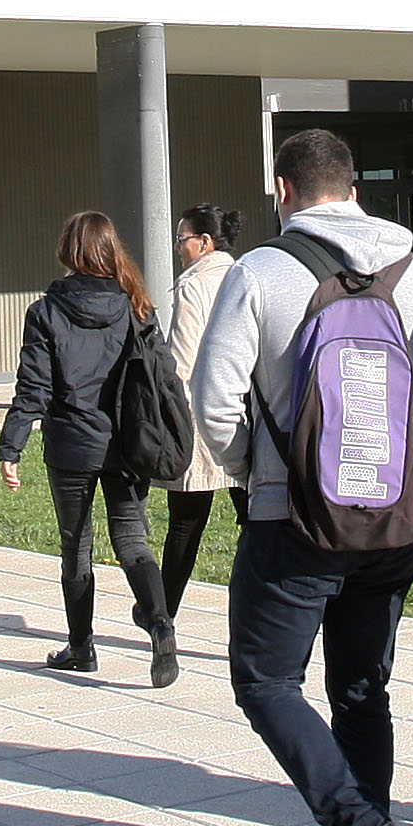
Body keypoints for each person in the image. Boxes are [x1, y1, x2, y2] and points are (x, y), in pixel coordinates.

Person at [189, 126, 413, 826]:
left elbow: (213, 405)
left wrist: (263, 474)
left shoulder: (259, 272)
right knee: (362, 690)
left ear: (282, 192)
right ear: (353, 189)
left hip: (294, 524)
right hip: (393, 525)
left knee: (266, 683)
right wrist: (398, 456)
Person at [0, 213, 178, 684]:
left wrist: (11, 445)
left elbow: (32, 387)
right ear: (110, 250)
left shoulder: (46, 312)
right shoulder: (137, 307)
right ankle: (160, 626)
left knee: (76, 547)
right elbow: (158, 377)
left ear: (69, 252)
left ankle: (81, 648)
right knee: (133, 540)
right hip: (127, 443)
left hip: (71, 447)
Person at [159, 204, 239, 620]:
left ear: (204, 243)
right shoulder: (246, 276)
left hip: (203, 417)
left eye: (182, 239)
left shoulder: (193, 287)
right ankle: (258, 612)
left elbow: (182, 361)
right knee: (257, 525)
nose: (178, 248)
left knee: (186, 523)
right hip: (247, 415)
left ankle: (161, 613)